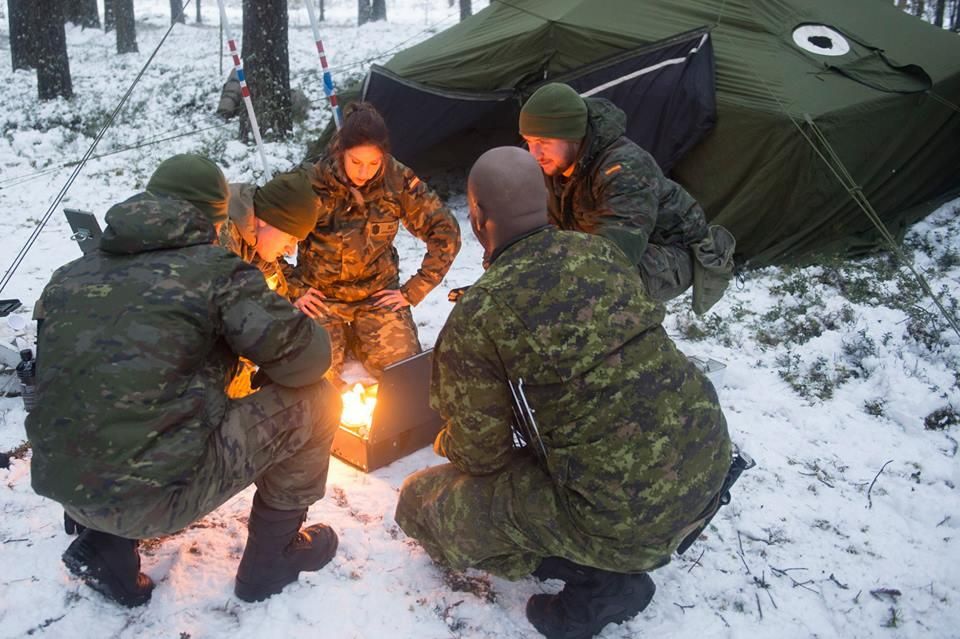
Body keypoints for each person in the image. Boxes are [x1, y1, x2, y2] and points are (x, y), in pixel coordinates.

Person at [395, 147, 732, 639]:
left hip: (630, 515)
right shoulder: (602, 254)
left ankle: (602, 581)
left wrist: (448, 445)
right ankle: (606, 544)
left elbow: (482, 455)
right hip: (707, 465)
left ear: (477, 217)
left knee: (421, 501)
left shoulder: (481, 314)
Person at [25, 154, 342, 607]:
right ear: (216, 222)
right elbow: (308, 361)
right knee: (319, 400)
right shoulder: (215, 270)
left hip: (67, 490)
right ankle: (272, 561)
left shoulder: (69, 276)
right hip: (156, 498)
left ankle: (106, 547)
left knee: (129, 391)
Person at [285, 103, 461, 385]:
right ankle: (345, 339)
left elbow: (446, 231)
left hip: (378, 295)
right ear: (340, 152)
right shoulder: (310, 181)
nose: (364, 172)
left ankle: (363, 337)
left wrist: (413, 291)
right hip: (321, 298)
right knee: (312, 378)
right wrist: (294, 288)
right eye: (356, 162)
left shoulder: (396, 179)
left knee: (404, 376)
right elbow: (262, 236)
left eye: (374, 163)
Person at [519, 82, 734, 311]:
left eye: (544, 143)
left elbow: (618, 250)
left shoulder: (625, 168)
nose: (535, 154)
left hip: (670, 251)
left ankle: (624, 337)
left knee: (599, 285)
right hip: (600, 241)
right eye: (530, 142)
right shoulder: (554, 163)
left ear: (574, 135)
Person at [219, 172, 320, 297]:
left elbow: (277, 297)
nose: (291, 251)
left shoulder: (259, 244)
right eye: (291, 238)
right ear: (265, 219)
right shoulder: (218, 237)